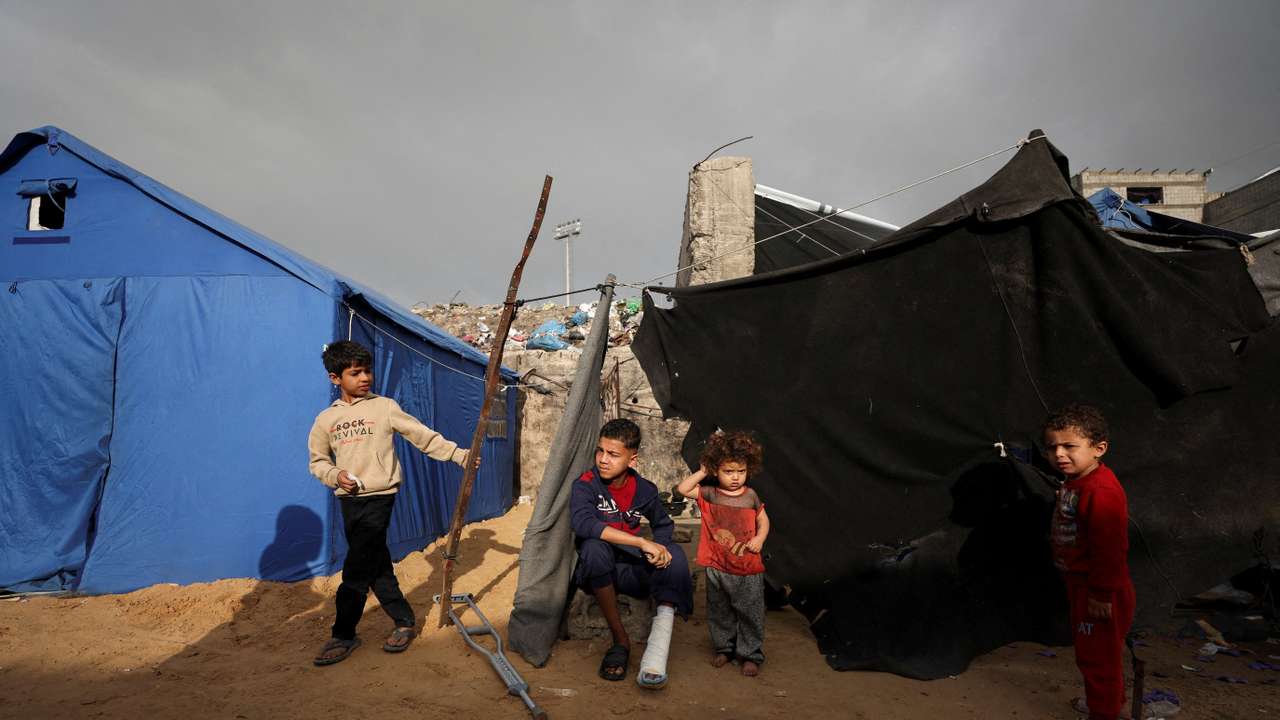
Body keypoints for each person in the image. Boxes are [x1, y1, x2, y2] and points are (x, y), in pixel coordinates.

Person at [307, 340, 475, 666]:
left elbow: (421, 435)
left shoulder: (384, 407)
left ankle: (343, 633)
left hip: (380, 497)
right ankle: (404, 620)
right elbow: (317, 462)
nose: (364, 377)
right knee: (376, 564)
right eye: (355, 373)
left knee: (356, 568)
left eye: (367, 370)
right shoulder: (325, 420)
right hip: (349, 500)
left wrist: (459, 455)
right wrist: (335, 475)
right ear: (335, 378)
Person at [570, 419, 693, 688]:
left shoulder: (645, 490)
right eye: (600, 451)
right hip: (598, 574)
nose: (603, 460)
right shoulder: (586, 484)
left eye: (613, 454)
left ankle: (658, 642)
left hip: (631, 571)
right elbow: (583, 524)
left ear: (632, 459)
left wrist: (658, 547)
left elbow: (663, 524)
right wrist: (641, 543)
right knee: (593, 547)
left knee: (676, 557)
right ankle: (620, 640)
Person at [1044, 404, 1135, 720]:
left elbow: (1110, 549)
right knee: (1099, 655)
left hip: (1100, 592)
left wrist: (1100, 594)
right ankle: (1108, 704)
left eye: (1069, 446)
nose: (1059, 454)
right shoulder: (1076, 482)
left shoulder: (1101, 490)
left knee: (1098, 660)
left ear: (1099, 448)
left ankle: (1104, 712)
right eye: (1053, 446)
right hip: (1084, 586)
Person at [674, 430, 770, 677]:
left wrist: (759, 538)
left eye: (741, 471)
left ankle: (750, 655)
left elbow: (764, 520)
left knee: (750, 611)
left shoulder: (750, 496)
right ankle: (724, 649)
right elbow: (682, 489)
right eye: (729, 471)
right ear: (717, 470)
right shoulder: (709, 494)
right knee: (719, 611)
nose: (736, 477)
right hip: (717, 566)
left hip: (747, 568)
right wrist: (702, 472)